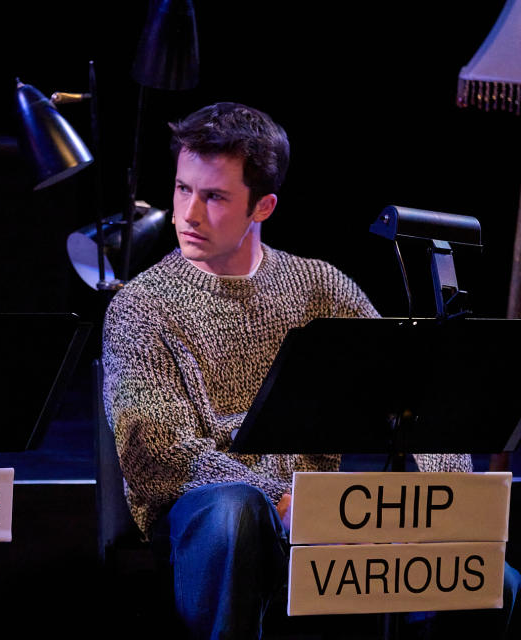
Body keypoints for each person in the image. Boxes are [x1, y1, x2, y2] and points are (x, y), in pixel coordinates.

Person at [101, 102, 510, 639]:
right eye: (183, 189)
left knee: (494, 581)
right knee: (237, 512)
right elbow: (155, 451)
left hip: (320, 516)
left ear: (263, 206)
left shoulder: (317, 286)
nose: (188, 214)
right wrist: (283, 500)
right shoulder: (141, 304)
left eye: (214, 196)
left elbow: (413, 391)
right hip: (205, 519)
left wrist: (445, 499)